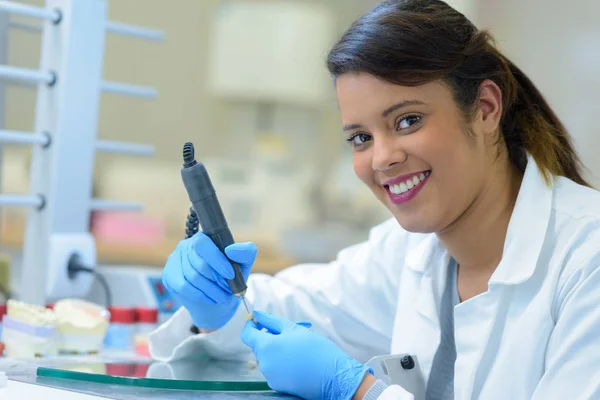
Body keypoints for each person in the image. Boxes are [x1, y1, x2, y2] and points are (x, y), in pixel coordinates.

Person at [149, 1, 600, 399]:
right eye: (361, 137)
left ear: (485, 108)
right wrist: (220, 304)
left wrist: (358, 392)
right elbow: (293, 310)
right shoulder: (407, 254)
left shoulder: (586, 257)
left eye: (407, 120)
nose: (382, 158)